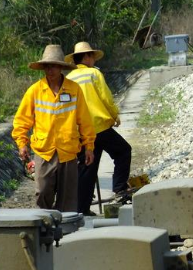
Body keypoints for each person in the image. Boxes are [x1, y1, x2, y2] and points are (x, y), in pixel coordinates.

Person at [12, 44, 96, 212]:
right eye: (47, 66)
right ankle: (44, 231)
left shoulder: (74, 89)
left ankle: (65, 233)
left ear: (61, 67)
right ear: (43, 68)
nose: (50, 70)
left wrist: (89, 146)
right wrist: (22, 144)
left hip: (68, 151)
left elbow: (84, 120)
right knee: (42, 193)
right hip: (44, 152)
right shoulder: (35, 91)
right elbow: (21, 121)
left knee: (68, 199)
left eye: (54, 65)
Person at [65, 42, 133, 215]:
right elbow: (106, 97)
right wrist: (115, 115)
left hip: (80, 131)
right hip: (99, 126)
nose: (93, 59)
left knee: (88, 168)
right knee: (123, 151)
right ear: (86, 57)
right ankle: (120, 190)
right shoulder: (94, 74)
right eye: (92, 56)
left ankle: (82, 208)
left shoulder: (69, 78)